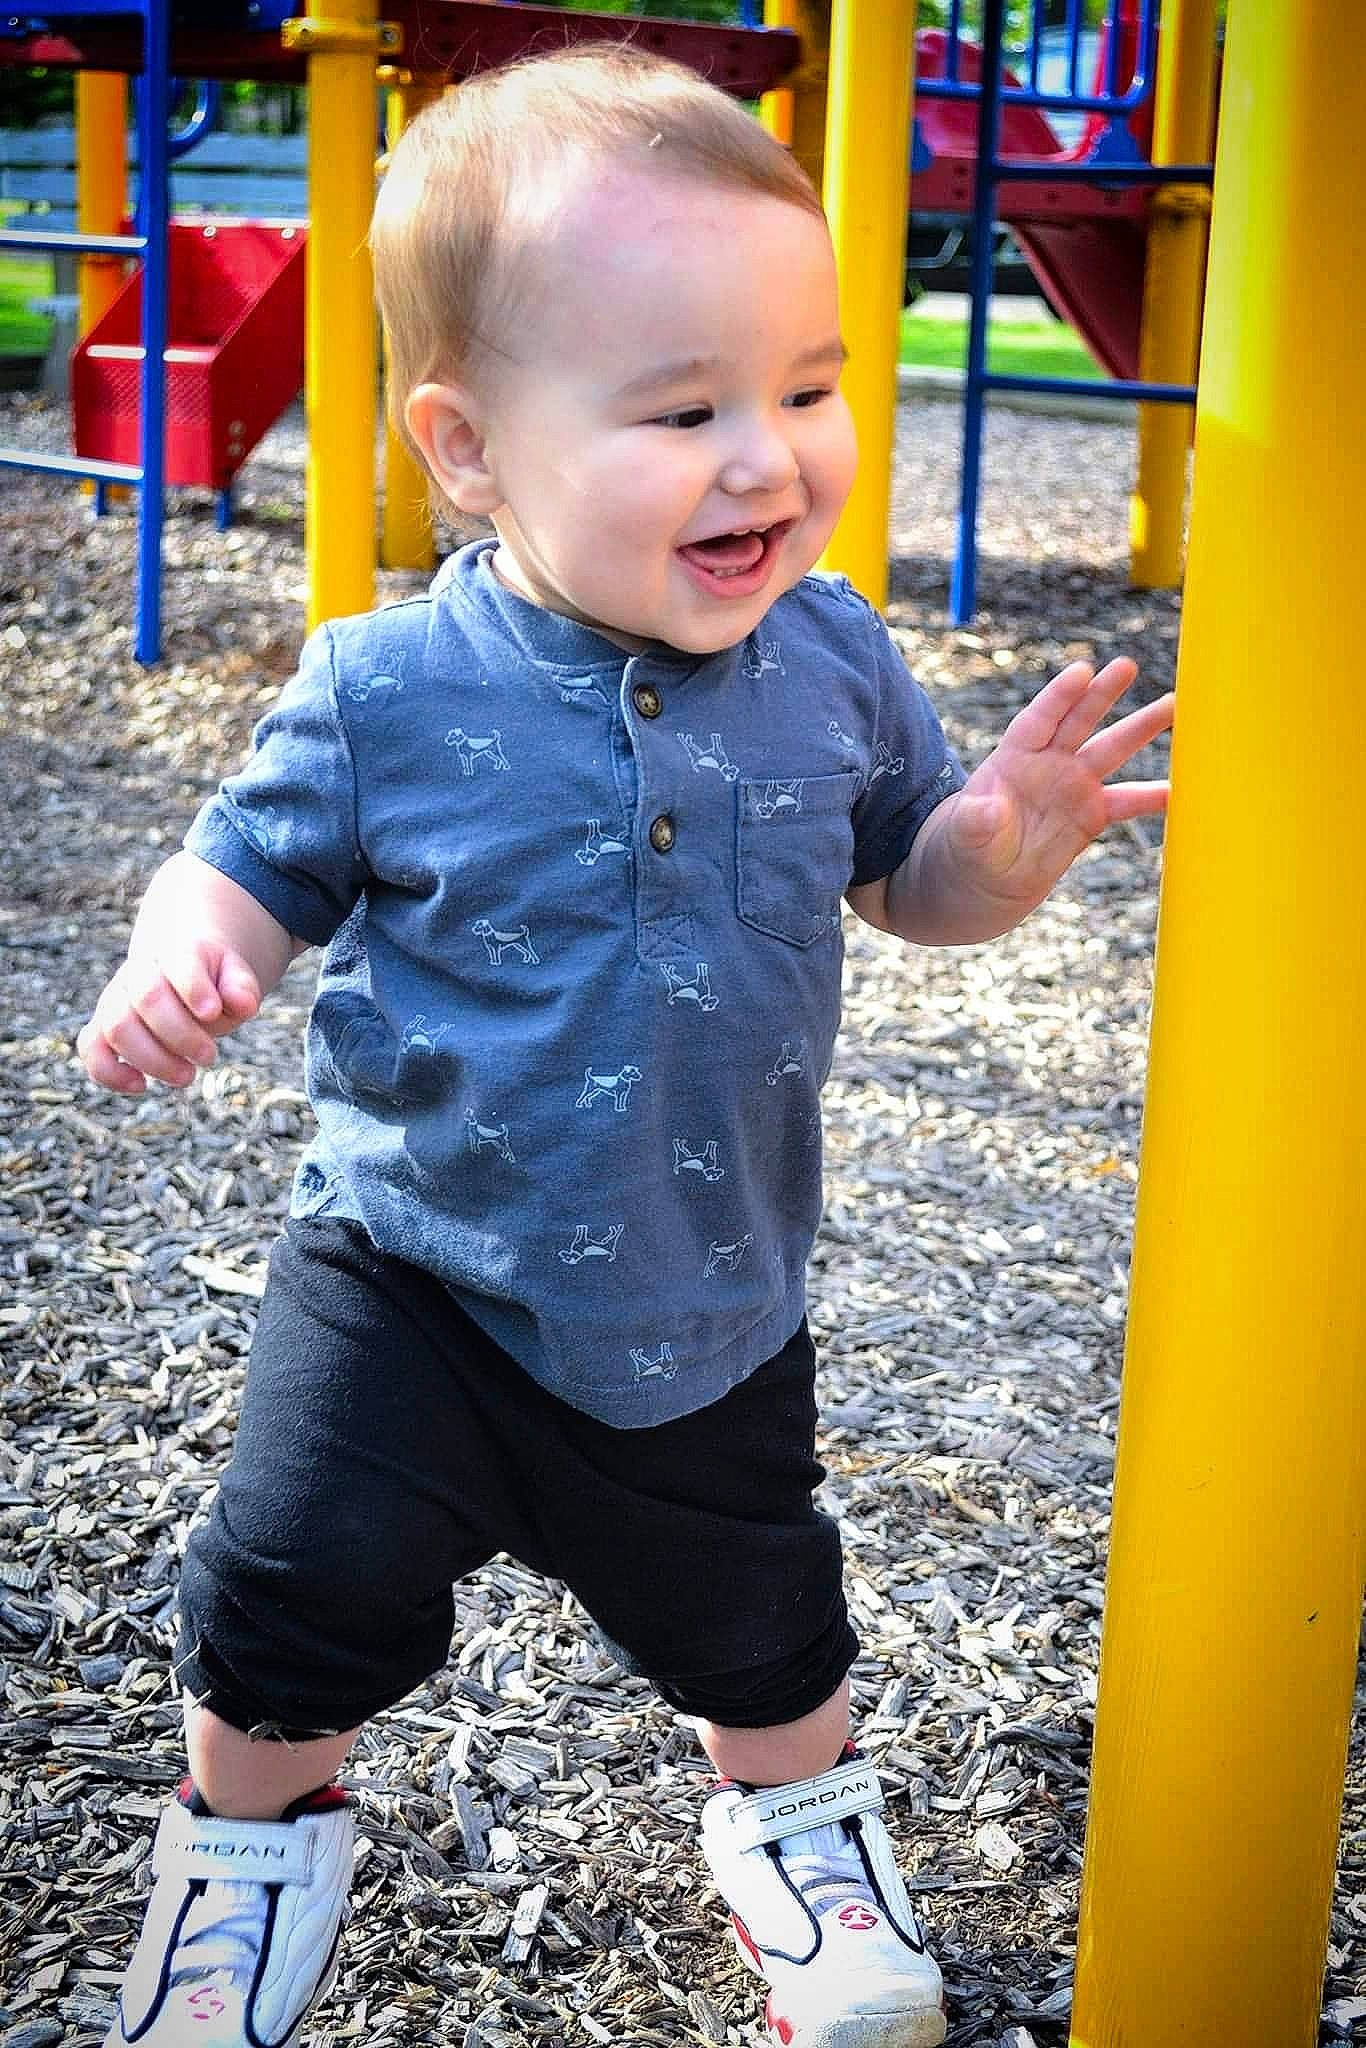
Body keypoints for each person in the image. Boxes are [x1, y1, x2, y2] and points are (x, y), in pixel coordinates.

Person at [78, 44, 1172, 2048]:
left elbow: (904, 878)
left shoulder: (831, 657)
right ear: (470, 446)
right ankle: (246, 1853)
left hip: (705, 1286)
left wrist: (994, 852)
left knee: (760, 1612)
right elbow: (237, 864)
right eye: (683, 410)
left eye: (809, 387)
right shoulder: (389, 686)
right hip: (407, 1269)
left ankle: (790, 1827)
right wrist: (182, 961)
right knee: (284, 1592)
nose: (767, 457)